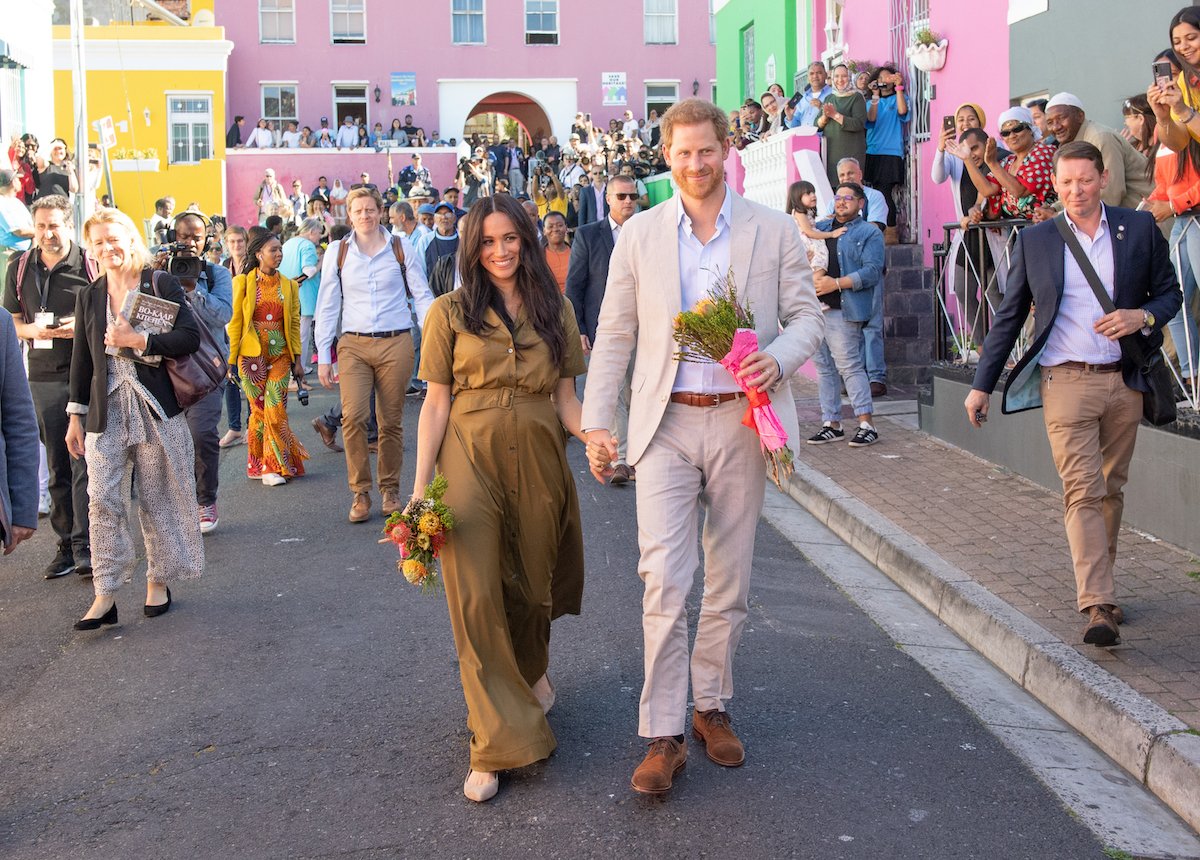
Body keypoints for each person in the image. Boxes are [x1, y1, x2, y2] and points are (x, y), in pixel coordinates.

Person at [580, 99, 824, 796]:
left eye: (706, 151)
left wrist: (776, 360)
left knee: (732, 578)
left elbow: (808, 316)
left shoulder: (772, 230)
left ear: (726, 151)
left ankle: (710, 704)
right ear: (668, 155)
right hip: (665, 425)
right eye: (683, 153)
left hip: (744, 422)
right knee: (665, 577)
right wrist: (600, 421)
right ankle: (662, 732)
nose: (695, 164)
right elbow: (616, 332)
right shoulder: (640, 235)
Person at [964, 142, 1181, 647]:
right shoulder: (1038, 239)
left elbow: (1170, 293)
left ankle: (1100, 584)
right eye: (1065, 183)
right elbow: (1010, 315)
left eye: (1084, 181)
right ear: (1055, 186)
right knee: (1082, 489)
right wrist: (981, 385)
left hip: (1124, 380)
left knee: (1111, 487)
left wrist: (1140, 316)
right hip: (1065, 381)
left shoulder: (1138, 229)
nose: (1075, 191)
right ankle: (1098, 604)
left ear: (1102, 178)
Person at [410, 193, 588, 803]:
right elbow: (435, 403)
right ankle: (492, 743)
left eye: (510, 238)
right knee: (477, 594)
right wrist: (418, 493)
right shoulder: (448, 312)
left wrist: (597, 435)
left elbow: (566, 399)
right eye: (487, 241)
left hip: (540, 455)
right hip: (468, 455)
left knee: (532, 585)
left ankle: (530, 673)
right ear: (471, 248)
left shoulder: (555, 308)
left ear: (527, 240)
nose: (500, 251)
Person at [65, 207, 204, 630]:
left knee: (157, 496)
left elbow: (190, 336)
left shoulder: (157, 283)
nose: (107, 248)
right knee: (101, 498)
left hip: (154, 405)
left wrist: (139, 339)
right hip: (106, 411)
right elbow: (82, 359)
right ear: (92, 249)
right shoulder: (90, 294)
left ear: (129, 238)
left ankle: (157, 580)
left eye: (113, 238)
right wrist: (75, 415)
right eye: (99, 242)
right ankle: (105, 593)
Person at [315, 186, 434, 522]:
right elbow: (328, 302)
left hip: (396, 340)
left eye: (370, 209)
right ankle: (360, 492)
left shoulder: (400, 246)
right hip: (353, 343)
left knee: (390, 421)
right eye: (358, 211)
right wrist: (324, 353)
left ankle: (390, 490)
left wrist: (433, 336)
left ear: (381, 211)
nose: (364, 216)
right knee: (353, 417)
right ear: (349, 216)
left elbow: (421, 294)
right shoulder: (339, 251)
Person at [2, 194, 91, 576]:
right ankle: (67, 545)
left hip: (86, 373)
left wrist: (80, 327)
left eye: (54, 225)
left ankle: (89, 542)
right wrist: (32, 328)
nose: (47, 233)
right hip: (41, 373)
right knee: (57, 463)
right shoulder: (19, 267)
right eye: (40, 226)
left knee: (85, 462)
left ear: (68, 225)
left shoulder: (89, 263)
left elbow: (109, 315)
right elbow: (11, 323)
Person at [157, 211, 233, 535]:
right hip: (165, 366)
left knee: (202, 434)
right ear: (173, 236)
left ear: (206, 240)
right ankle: (177, 502)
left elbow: (223, 314)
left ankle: (205, 500)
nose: (189, 244)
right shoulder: (159, 272)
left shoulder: (217, 275)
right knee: (167, 441)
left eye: (196, 237)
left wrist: (190, 290)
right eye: (184, 236)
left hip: (205, 368)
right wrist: (157, 274)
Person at [565, 174, 639, 484]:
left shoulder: (647, 231)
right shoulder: (588, 235)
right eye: (621, 196)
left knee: (641, 391)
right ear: (607, 199)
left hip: (646, 328)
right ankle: (623, 458)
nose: (628, 202)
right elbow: (575, 284)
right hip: (604, 328)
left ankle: (638, 454)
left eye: (633, 197)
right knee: (618, 392)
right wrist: (579, 327)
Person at [228, 230, 308, 486]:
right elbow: (236, 323)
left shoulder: (290, 285)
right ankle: (256, 464)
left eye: (280, 249)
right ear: (258, 253)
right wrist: (231, 360)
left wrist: (298, 359)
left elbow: (294, 323)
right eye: (273, 250)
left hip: (281, 357)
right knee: (259, 411)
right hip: (251, 358)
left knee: (275, 410)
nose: (279, 254)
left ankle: (271, 467)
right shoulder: (243, 282)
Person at [806, 182, 882, 448]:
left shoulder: (869, 233)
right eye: (838, 197)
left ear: (861, 203)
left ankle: (866, 424)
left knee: (849, 365)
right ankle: (832, 424)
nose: (841, 202)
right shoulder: (822, 229)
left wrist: (835, 284)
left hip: (843, 308)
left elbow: (873, 271)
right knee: (824, 369)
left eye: (848, 198)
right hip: (815, 310)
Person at [932, 127, 1010, 350]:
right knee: (962, 289)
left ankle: (1003, 348)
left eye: (975, 147)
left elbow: (989, 190)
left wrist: (978, 209)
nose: (972, 153)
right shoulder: (967, 165)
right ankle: (983, 346)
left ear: (988, 143)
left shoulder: (1000, 160)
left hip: (997, 237)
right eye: (967, 149)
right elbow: (980, 197)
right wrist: (975, 210)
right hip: (972, 236)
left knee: (995, 294)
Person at [1038, 93, 1150, 215]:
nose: (1056, 127)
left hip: (1146, 219)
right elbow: (1077, 193)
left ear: (1080, 116)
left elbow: (1110, 195)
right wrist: (1054, 209)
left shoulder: (1100, 138)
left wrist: (1059, 217)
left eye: (1061, 118)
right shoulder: (1069, 143)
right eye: (1049, 122)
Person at [864, 66, 909, 243]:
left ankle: (890, 232)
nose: (885, 81)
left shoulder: (900, 98)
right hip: (873, 152)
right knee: (876, 193)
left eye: (888, 77)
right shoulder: (871, 102)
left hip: (891, 153)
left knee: (884, 193)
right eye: (881, 78)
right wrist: (875, 94)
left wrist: (899, 87)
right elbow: (872, 119)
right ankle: (881, 231)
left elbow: (903, 112)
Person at [281, 218, 324, 377]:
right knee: (302, 336)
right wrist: (321, 263)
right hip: (304, 297)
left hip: (286, 295)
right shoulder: (307, 246)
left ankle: (289, 368)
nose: (320, 237)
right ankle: (299, 368)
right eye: (319, 233)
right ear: (312, 231)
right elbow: (309, 271)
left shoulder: (288, 244)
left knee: (290, 334)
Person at [219, 226, 249, 447]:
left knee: (251, 380)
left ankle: (252, 425)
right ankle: (234, 428)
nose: (237, 246)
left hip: (250, 329)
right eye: (232, 242)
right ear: (226, 244)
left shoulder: (254, 265)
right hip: (228, 327)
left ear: (246, 242)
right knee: (231, 378)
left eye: (240, 241)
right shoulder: (222, 268)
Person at [817, 64, 868, 189]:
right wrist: (825, 116)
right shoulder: (829, 97)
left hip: (851, 151)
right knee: (834, 189)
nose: (840, 80)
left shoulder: (857, 97)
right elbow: (817, 125)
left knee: (852, 188)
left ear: (850, 77)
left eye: (844, 76)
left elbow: (858, 123)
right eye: (837, 76)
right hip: (831, 153)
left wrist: (835, 115)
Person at [0, 169, 33, 276]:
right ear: (12, 182)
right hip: (10, 254)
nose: (20, 181)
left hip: (26, 253)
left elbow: (32, 225)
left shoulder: (16, 202)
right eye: (17, 179)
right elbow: (19, 231)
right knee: (9, 290)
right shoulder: (2, 203)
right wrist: (39, 232)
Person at [790, 62, 833, 129]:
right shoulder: (802, 99)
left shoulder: (833, 93)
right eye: (811, 73)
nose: (815, 76)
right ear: (808, 78)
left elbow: (838, 116)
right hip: (805, 138)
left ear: (826, 75)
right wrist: (790, 116)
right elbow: (795, 126)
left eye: (819, 73)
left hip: (827, 138)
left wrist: (822, 107)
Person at [542, 211, 570, 292]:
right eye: (550, 226)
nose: (555, 229)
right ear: (544, 231)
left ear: (566, 228)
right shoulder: (538, 257)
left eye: (560, 225)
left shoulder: (578, 253)